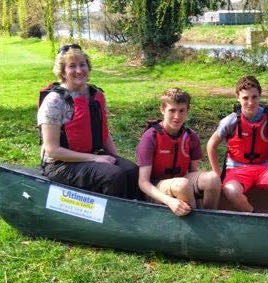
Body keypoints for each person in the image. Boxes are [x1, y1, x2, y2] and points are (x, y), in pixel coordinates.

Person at [37, 44, 140, 199]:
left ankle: (137, 213)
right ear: (63, 72)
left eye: (82, 65)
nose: (79, 71)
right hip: (60, 165)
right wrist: (96, 159)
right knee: (113, 175)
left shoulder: (96, 95)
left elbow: (103, 133)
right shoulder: (55, 101)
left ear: (88, 67)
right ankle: (112, 219)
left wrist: (117, 159)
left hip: (91, 156)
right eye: (72, 66)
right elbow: (53, 150)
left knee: (131, 170)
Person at [206, 76, 268, 214]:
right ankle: (253, 215)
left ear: (260, 96)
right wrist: (218, 175)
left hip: (264, 169)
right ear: (238, 97)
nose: (250, 102)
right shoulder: (230, 121)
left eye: (254, 97)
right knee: (230, 191)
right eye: (245, 98)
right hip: (236, 170)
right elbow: (211, 145)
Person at [136, 88, 221, 216]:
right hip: (156, 189)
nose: (177, 116)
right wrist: (169, 201)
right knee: (182, 185)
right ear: (162, 110)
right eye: (172, 110)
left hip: (182, 183)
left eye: (182, 111)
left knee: (213, 178)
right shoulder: (150, 137)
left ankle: (210, 217)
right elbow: (143, 182)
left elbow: (194, 172)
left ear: (187, 111)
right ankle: (196, 223)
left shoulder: (191, 136)